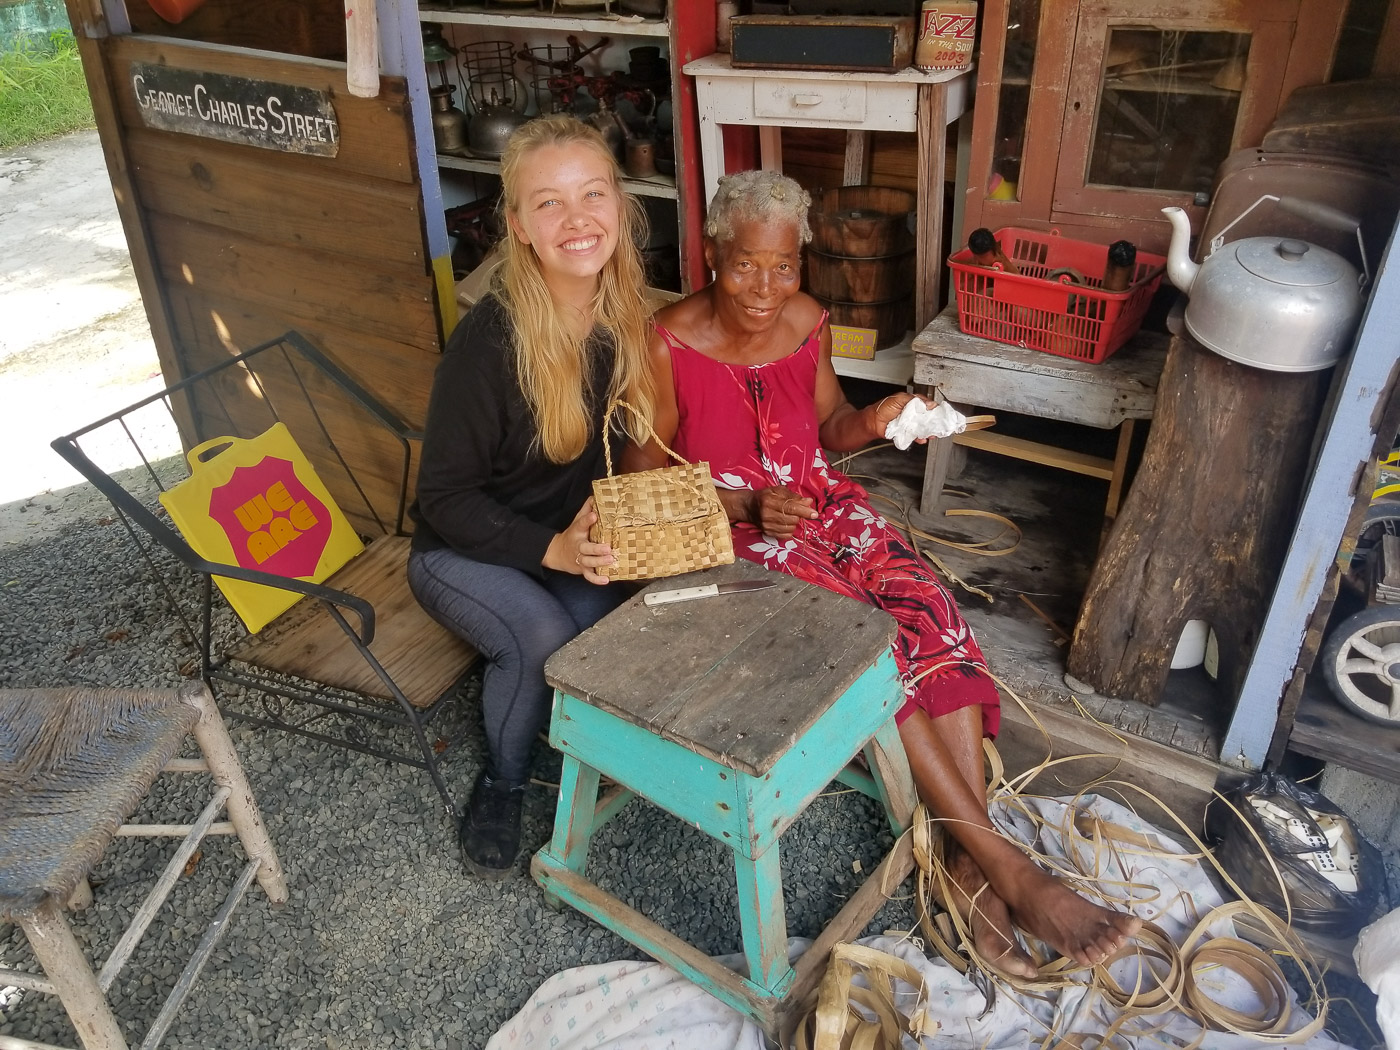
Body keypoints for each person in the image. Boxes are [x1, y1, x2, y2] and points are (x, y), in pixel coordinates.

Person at [625, 170, 1141, 973]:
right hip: (735, 541)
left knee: (926, 607)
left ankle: (972, 860)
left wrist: (877, 418)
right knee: (865, 645)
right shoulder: (664, 344)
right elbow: (638, 487)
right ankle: (1004, 865)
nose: (766, 289)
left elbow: (828, 429)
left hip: (825, 509)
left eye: (785, 266)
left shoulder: (806, 322)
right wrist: (745, 504)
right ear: (712, 253)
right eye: (746, 266)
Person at [408, 115, 654, 878]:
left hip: (555, 535)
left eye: (592, 193)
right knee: (542, 635)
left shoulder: (619, 312)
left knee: (611, 613)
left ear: (620, 203)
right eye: (548, 203)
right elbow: (444, 498)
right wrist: (553, 549)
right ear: (517, 225)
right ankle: (504, 783)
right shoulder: (490, 342)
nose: (576, 219)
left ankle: (539, 710)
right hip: (460, 548)